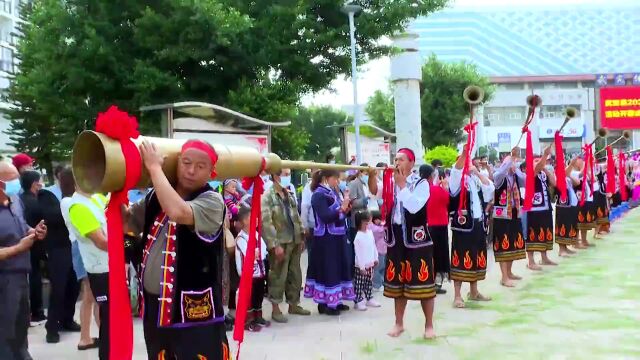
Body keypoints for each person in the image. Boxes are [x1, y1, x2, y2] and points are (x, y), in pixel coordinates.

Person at [126, 139, 229, 359]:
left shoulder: (213, 200)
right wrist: (115, 190)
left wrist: (154, 167)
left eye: (200, 167)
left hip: (193, 310)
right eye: (186, 162)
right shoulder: (155, 195)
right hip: (155, 307)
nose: (191, 171)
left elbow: (178, 212)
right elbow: (128, 222)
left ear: (212, 172)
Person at [382, 148, 436, 339]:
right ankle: (399, 323)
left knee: (424, 282)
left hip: (417, 240)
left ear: (411, 163)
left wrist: (402, 185)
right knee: (398, 284)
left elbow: (414, 207)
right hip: (396, 238)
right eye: (395, 159)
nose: (397, 163)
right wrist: (372, 176)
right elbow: (374, 193)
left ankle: (429, 325)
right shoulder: (390, 182)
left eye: (401, 159)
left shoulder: (421, 184)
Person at [0, 161, 47, 360]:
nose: (17, 184)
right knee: (5, 332)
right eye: (12, 180)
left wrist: (33, 231)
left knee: (20, 329)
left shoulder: (15, 200)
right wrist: (19, 248)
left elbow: (21, 225)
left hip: (21, 275)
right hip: (4, 278)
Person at [61, 187, 109, 359]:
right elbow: (102, 242)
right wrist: (127, 245)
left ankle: (92, 338)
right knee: (92, 299)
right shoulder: (76, 206)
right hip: (98, 267)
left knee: (101, 307)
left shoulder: (97, 197)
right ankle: (87, 338)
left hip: (109, 266)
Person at [262, 168, 310, 323]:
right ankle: (276, 309)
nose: (287, 177)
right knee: (278, 276)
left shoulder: (288, 194)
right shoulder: (268, 197)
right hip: (280, 242)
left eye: (288, 174)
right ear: (275, 176)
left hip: (294, 240)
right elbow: (266, 223)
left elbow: (296, 217)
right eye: (284, 174)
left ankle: (293, 304)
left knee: (295, 275)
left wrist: (301, 236)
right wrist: (274, 245)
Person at [304, 169, 355, 316]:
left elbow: (340, 212)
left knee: (338, 267)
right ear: (326, 179)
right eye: (335, 178)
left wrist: (346, 208)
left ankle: (336, 300)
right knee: (327, 269)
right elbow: (325, 216)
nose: (337, 181)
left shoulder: (331, 192)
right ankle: (325, 304)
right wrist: (342, 208)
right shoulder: (318, 195)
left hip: (337, 237)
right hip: (325, 239)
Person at [449, 146, 495, 308]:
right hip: (463, 226)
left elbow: (490, 189)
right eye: (467, 162)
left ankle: (474, 291)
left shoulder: (475, 179)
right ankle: (457, 295)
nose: (470, 164)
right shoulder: (455, 179)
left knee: (476, 257)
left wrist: (476, 172)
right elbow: (456, 169)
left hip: (477, 223)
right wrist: (464, 153)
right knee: (460, 258)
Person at [59, 171, 100, 351]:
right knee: (92, 294)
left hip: (84, 246)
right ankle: (87, 337)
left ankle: (92, 335)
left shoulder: (76, 200)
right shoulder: (71, 202)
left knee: (92, 295)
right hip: (83, 246)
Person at [41, 167, 81, 343]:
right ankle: (52, 327)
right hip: (58, 247)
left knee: (74, 285)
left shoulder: (77, 197)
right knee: (58, 287)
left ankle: (67, 319)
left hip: (75, 247)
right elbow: (49, 216)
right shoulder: (48, 194)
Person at [491, 148, 526, 286]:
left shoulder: (516, 176)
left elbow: (525, 179)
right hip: (502, 215)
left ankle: (509, 272)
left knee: (512, 243)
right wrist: (509, 159)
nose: (513, 165)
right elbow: (499, 173)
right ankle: (504, 277)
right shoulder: (500, 177)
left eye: (514, 163)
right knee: (503, 245)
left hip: (514, 212)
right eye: (511, 163)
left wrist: (515, 168)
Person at [19, 170, 48, 326]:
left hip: (19, 244)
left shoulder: (17, 201)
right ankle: (37, 312)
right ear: (34, 184)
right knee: (35, 278)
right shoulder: (37, 202)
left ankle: (28, 313)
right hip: (35, 245)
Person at [235, 206, 269, 332]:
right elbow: (249, 253)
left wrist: (258, 252)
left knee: (258, 294)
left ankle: (257, 316)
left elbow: (263, 249)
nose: (255, 220)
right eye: (251, 217)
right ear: (244, 221)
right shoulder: (241, 238)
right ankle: (247, 321)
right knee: (248, 296)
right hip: (248, 273)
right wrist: (256, 252)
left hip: (259, 271)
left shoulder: (255, 234)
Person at [522, 146, 557, 270]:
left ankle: (544, 257)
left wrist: (547, 170)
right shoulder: (530, 173)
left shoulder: (543, 173)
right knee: (533, 234)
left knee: (545, 233)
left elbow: (555, 183)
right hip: (534, 209)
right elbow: (537, 168)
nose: (540, 163)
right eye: (536, 161)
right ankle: (531, 261)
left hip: (545, 207)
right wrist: (544, 155)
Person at [421, 164, 450, 294]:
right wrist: (444, 187)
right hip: (439, 225)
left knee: (428, 254)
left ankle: (426, 280)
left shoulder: (419, 188)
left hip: (426, 225)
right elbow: (447, 201)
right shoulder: (437, 189)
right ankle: (437, 282)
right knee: (439, 254)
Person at [352, 210, 380, 311]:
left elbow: (373, 246)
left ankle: (369, 298)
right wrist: (361, 267)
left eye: (368, 222)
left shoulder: (370, 233)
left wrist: (375, 258)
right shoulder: (358, 236)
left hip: (370, 263)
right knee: (359, 284)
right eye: (365, 223)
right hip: (361, 266)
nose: (367, 225)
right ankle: (358, 301)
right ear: (360, 223)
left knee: (369, 282)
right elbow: (358, 254)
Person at [555, 159, 581, 257]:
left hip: (571, 205)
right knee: (562, 225)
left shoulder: (567, 178)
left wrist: (569, 175)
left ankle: (565, 248)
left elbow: (577, 183)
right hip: (563, 206)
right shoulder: (557, 176)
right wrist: (571, 164)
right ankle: (561, 250)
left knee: (568, 225)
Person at [573, 157, 596, 247]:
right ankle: (576, 242)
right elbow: (581, 173)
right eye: (580, 161)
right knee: (578, 221)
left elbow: (592, 179)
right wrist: (587, 163)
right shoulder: (573, 172)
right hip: (578, 200)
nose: (581, 162)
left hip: (587, 199)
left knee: (585, 222)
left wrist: (589, 165)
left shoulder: (584, 172)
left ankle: (584, 240)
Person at [348, 164, 371, 241]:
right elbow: (352, 203)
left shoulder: (367, 184)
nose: (367, 176)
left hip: (366, 219)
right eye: (366, 174)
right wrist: (364, 200)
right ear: (360, 173)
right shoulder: (354, 184)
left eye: (368, 174)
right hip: (357, 221)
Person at [369, 211, 386, 291]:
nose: (380, 221)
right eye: (378, 219)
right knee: (377, 269)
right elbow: (381, 230)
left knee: (382, 268)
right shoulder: (373, 228)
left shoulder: (378, 227)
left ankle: (381, 283)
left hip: (383, 251)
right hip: (377, 252)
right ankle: (377, 285)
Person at [593, 163, 611, 236]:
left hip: (602, 192)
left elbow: (606, 165)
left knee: (604, 211)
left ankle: (602, 229)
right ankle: (596, 232)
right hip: (597, 194)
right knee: (598, 212)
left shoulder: (600, 169)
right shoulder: (595, 169)